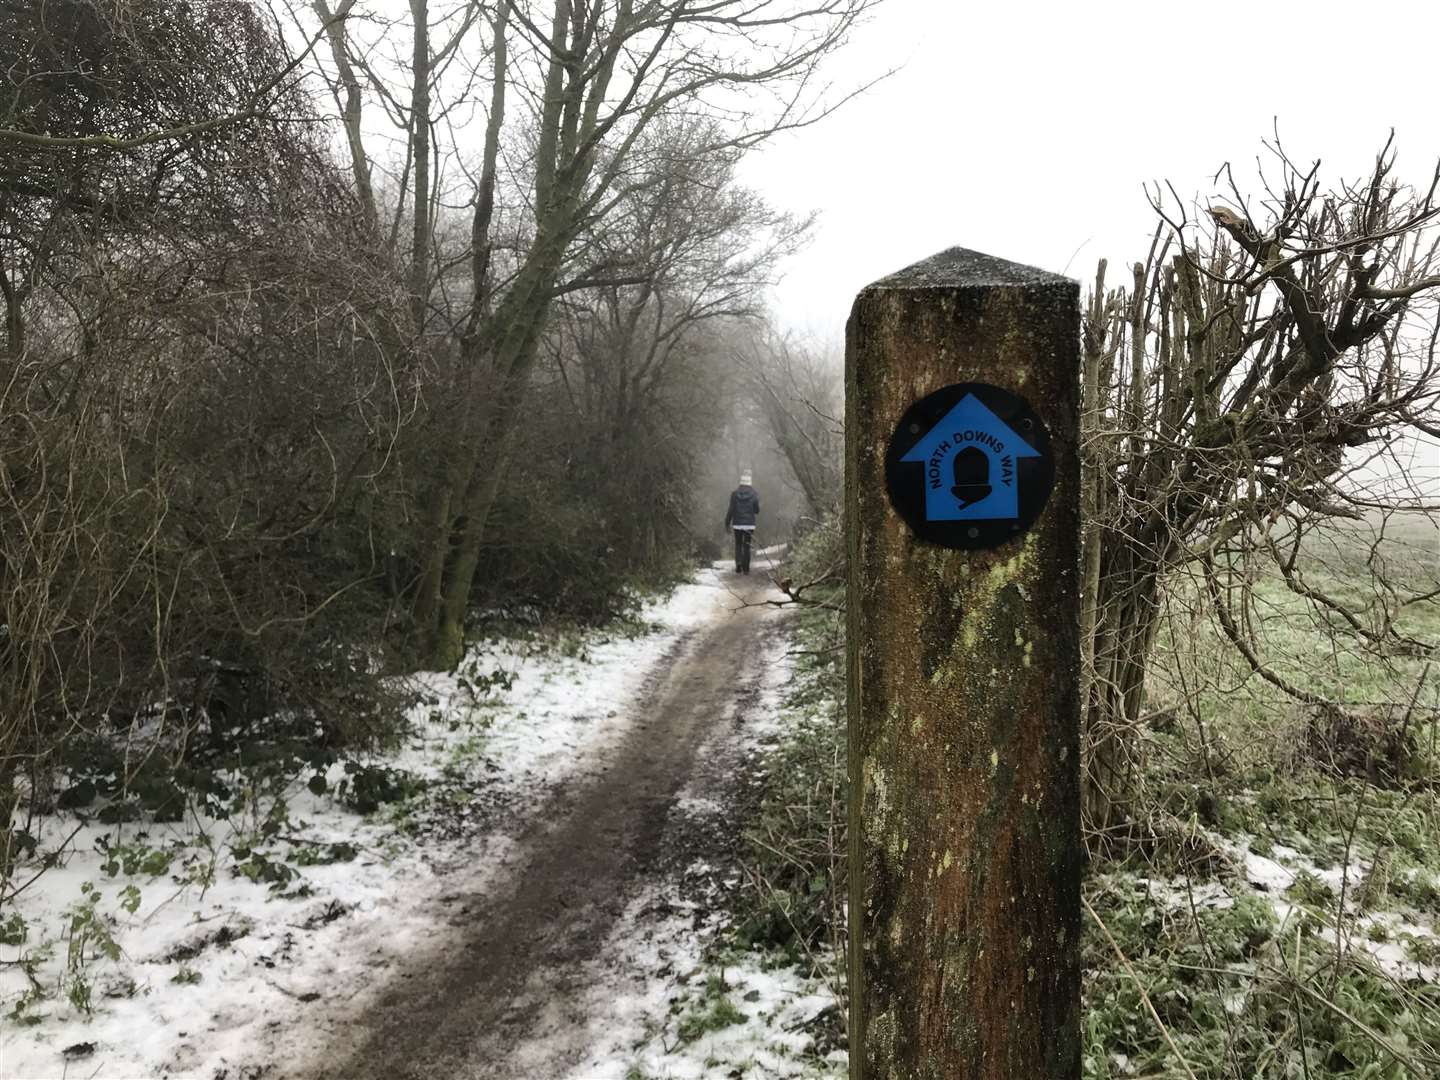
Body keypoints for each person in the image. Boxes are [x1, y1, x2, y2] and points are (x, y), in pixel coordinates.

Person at [724, 472, 760, 574]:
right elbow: (757, 510)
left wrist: (727, 522)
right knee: (747, 545)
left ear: (740, 483)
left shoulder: (734, 494)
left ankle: (738, 564)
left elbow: (731, 509)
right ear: (750, 483)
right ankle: (746, 569)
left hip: (737, 523)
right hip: (749, 524)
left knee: (738, 544)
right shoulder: (754, 494)